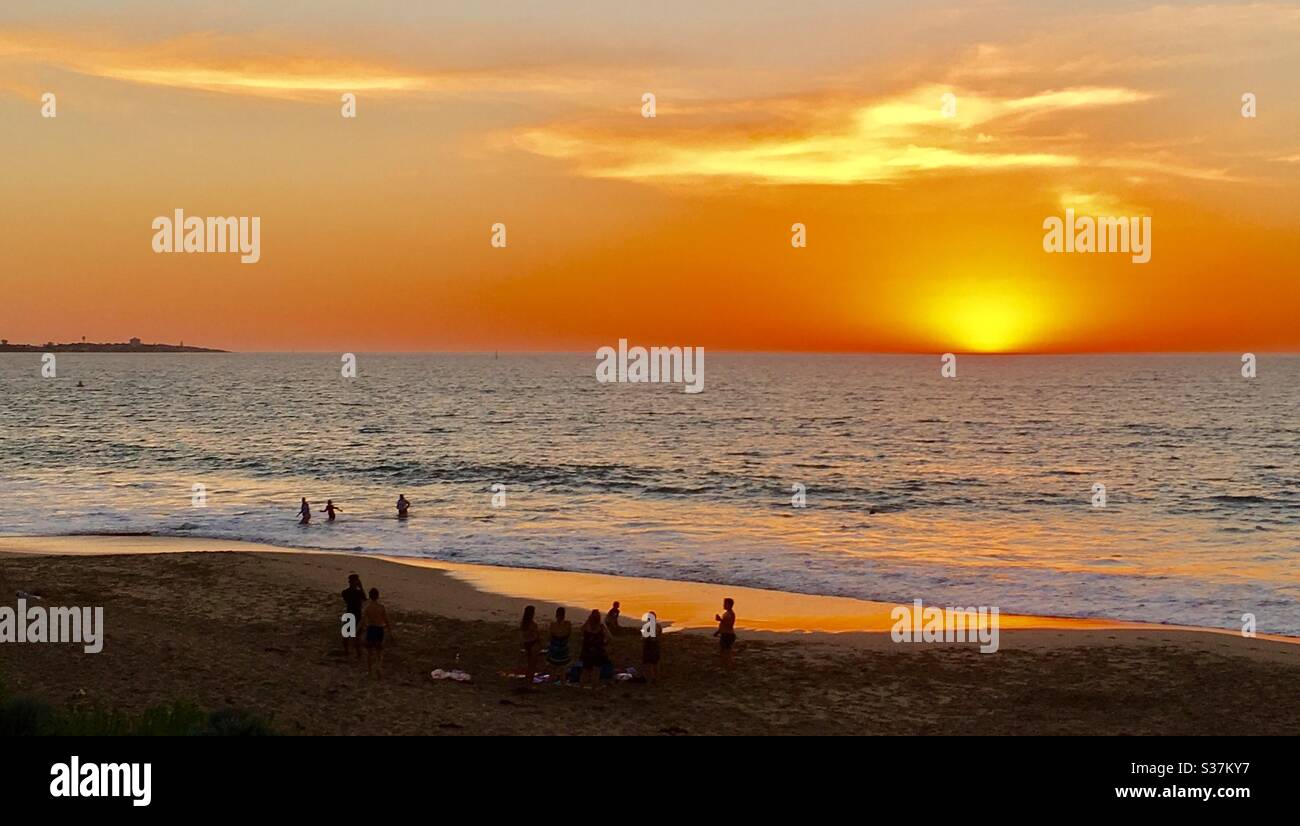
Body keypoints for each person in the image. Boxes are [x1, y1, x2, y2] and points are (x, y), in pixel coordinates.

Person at [362, 587, 392, 679]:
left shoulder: (368, 608)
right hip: (379, 629)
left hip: (371, 628)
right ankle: (378, 668)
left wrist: (356, 630)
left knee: (369, 652)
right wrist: (390, 631)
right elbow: (386, 620)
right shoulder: (381, 607)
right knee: (379, 652)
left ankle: (370, 671)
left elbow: (363, 620)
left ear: (370, 596)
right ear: (378, 596)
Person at [579, 609, 612, 689]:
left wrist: (588, 620)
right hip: (598, 652)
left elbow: (581, 630)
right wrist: (604, 643)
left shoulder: (587, 626)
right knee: (596, 671)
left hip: (587, 652)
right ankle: (594, 687)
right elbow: (610, 637)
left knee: (585, 671)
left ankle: (582, 687)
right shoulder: (601, 627)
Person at [340, 574, 366, 658]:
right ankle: (358, 654)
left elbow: (346, 600)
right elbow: (365, 598)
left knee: (346, 635)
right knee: (357, 636)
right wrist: (361, 587)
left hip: (349, 613)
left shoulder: (345, 592)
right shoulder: (358, 593)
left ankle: (347, 651)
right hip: (357, 615)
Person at [545, 607, 573, 683]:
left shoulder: (553, 625)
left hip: (555, 648)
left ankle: (551, 681)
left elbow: (549, 636)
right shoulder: (567, 624)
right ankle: (562, 682)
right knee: (562, 668)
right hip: (563, 648)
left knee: (553, 668)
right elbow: (569, 634)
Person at [520, 605, 541, 688]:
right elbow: (535, 636)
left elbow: (523, 636)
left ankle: (527, 679)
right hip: (533, 644)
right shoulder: (532, 624)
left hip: (527, 643)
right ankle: (530, 681)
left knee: (529, 663)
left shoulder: (523, 624)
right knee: (533, 665)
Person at [715, 597, 736, 670]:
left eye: (725, 604)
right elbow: (724, 625)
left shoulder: (730, 614)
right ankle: (726, 666)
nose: (723, 605)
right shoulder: (726, 613)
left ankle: (729, 666)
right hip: (725, 634)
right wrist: (718, 632)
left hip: (728, 635)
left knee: (726, 652)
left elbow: (729, 625)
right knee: (723, 651)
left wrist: (720, 620)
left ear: (729, 605)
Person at [641, 610, 661, 684]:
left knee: (648, 663)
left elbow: (646, 637)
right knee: (655, 663)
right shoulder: (658, 626)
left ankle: (650, 679)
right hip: (656, 646)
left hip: (649, 646)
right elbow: (659, 636)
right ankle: (656, 678)